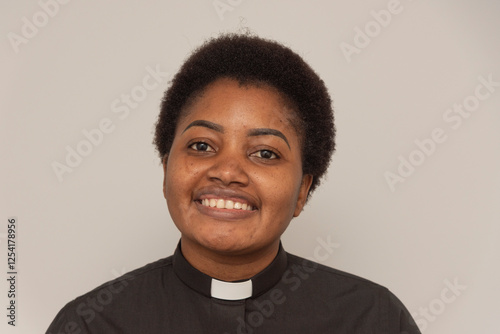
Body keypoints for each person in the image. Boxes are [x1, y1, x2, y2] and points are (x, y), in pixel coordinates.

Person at [46, 33, 421, 334]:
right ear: (165, 170)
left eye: (265, 153)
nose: (227, 172)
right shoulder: (90, 323)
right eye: (202, 145)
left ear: (302, 191)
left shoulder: (374, 319)